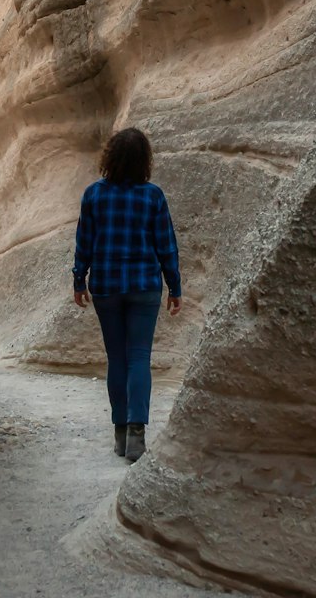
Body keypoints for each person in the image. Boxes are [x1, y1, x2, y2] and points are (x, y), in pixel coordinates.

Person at [72, 127, 182, 461]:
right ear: (143, 161)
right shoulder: (153, 196)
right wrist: (175, 286)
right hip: (145, 285)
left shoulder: (94, 195)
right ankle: (137, 434)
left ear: (110, 158)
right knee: (138, 358)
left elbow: (84, 243)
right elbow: (166, 246)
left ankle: (120, 435)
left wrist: (79, 279)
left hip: (106, 286)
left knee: (117, 358)